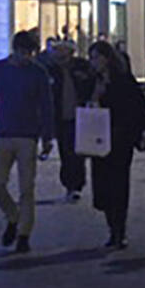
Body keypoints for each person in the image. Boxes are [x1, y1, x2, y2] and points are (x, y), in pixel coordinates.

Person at [0, 32, 54, 254]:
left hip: (27, 136)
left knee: (27, 188)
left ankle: (23, 234)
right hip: (2, 133)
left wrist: (47, 136)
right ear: (15, 49)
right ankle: (13, 215)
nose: (27, 57)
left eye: (30, 53)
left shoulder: (38, 72)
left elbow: (46, 106)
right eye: (24, 52)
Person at [86, 41, 145, 249]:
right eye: (92, 58)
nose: (94, 62)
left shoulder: (123, 80)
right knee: (102, 185)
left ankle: (118, 230)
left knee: (119, 183)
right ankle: (111, 224)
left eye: (97, 57)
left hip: (120, 137)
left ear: (107, 58)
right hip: (98, 138)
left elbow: (138, 105)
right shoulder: (91, 81)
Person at [45, 41, 96, 202]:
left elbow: (92, 83)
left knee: (78, 152)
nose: (59, 55)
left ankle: (76, 185)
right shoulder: (51, 70)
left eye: (62, 52)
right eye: (57, 52)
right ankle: (69, 184)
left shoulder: (82, 67)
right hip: (61, 117)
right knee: (65, 152)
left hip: (80, 115)